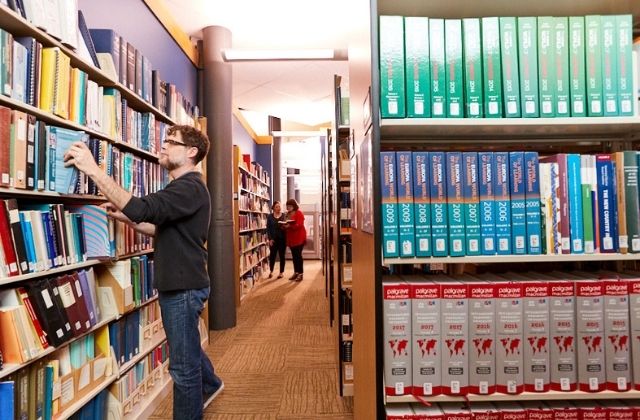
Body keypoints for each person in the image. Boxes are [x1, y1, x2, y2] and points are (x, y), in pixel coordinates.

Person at [64, 125, 223, 419]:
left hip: (183, 287)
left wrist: (93, 170)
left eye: (170, 142)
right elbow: (160, 228)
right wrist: (127, 218)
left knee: (183, 370)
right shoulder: (184, 188)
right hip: (184, 282)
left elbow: (142, 208)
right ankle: (212, 384)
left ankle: (203, 391)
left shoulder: (189, 187)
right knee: (186, 345)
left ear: (191, 152)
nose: (162, 146)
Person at [283, 198, 306, 281]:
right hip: (291, 238)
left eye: (290, 206)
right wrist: (284, 226)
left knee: (298, 256)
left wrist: (290, 226)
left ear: (294, 206)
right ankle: (296, 272)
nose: (288, 207)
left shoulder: (299, 213)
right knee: (294, 256)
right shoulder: (287, 214)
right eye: (287, 206)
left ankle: (301, 274)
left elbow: (299, 225)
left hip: (299, 237)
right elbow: (285, 223)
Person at [266, 201, 286, 279]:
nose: (278, 208)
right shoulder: (270, 217)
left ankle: (281, 272)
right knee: (272, 256)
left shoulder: (284, 216)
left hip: (282, 239)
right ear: (274, 208)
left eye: (279, 206)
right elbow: (268, 228)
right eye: (277, 207)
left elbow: (286, 226)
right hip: (273, 240)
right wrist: (270, 239)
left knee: (282, 256)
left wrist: (284, 226)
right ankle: (271, 271)